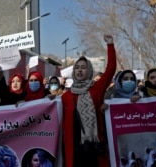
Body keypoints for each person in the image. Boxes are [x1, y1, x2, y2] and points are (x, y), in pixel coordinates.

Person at [61, 34, 116, 167]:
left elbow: (110, 69)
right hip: (75, 149)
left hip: (95, 148)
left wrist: (110, 45)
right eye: (77, 67)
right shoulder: (66, 96)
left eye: (83, 67)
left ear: (90, 70)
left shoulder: (96, 89)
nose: (80, 70)